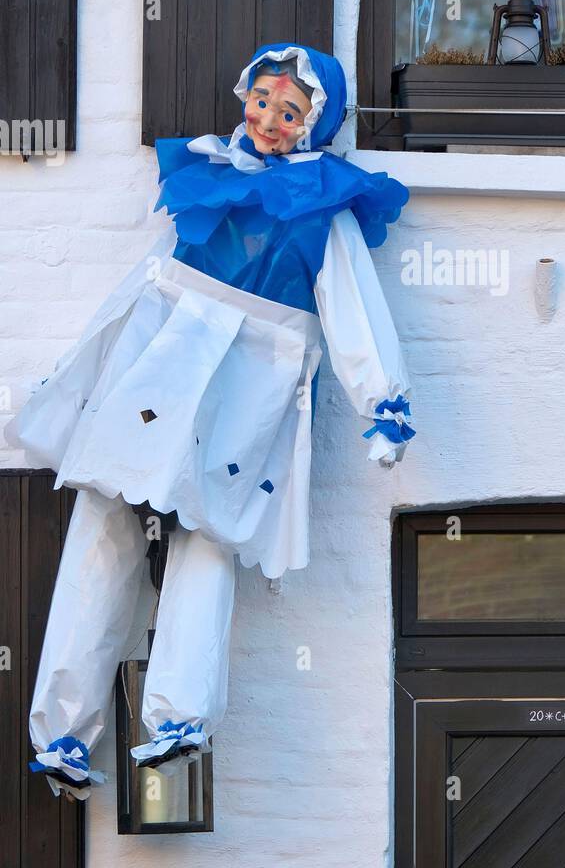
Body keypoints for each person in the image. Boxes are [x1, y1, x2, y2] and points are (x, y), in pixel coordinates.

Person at [6, 43, 415, 799]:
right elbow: (148, 283)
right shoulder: (208, 171)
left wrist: (381, 400)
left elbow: (351, 300)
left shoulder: (324, 201)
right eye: (262, 101)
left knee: (210, 532)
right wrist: (89, 372)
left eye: (290, 111)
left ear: (312, 125)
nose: (269, 120)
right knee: (103, 514)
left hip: (251, 374)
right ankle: (63, 729)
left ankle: (179, 716)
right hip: (165, 354)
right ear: (244, 97)